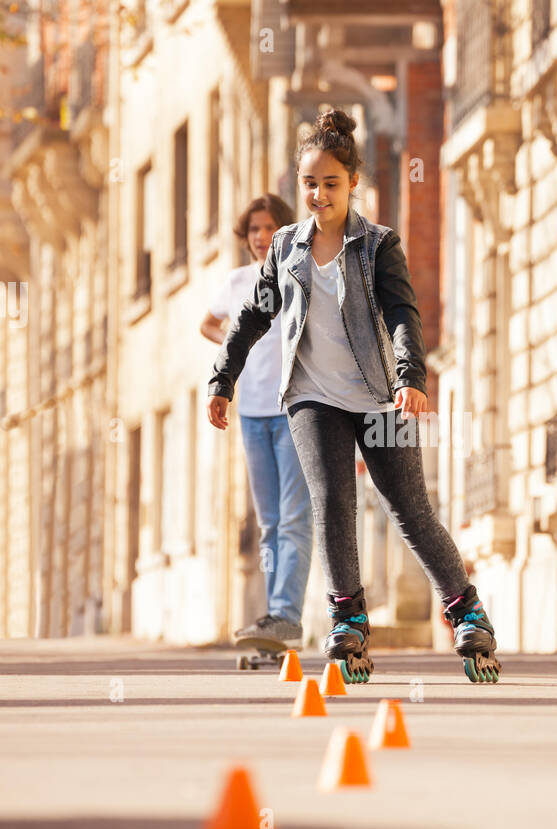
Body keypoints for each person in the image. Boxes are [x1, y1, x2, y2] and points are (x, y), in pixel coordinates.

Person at [204, 109, 500, 683]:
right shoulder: (286, 248)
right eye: (309, 184)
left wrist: (412, 376)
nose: (318, 195)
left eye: (330, 184)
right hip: (312, 399)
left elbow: (402, 314)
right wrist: (223, 378)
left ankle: (467, 611)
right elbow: (249, 318)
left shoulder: (378, 246)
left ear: (353, 184)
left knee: (409, 508)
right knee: (333, 503)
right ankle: (348, 619)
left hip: (383, 397)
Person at [200, 193, 310, 646]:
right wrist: (233, 342)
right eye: (254, 230)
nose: (262, 237)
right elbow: (207, 323)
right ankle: (273, 619)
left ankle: (286, 614)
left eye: (269, 228)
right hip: (252, 414)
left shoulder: (300, 274)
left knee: (294, 519)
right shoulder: (239, 280)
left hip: (295, 410)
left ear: (284, 231)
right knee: (269, 522)